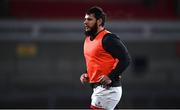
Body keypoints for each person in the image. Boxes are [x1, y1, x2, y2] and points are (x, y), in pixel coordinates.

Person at [80, 6, 131, 110]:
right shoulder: (88, 39)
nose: (85, 22)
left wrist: (110, 76)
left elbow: (126, 59)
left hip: (108, 90)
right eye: (85, 19)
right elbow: (94, 61)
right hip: (98, 89)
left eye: (89, 19)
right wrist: (87, 73)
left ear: (99, 21)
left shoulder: (108, 39)